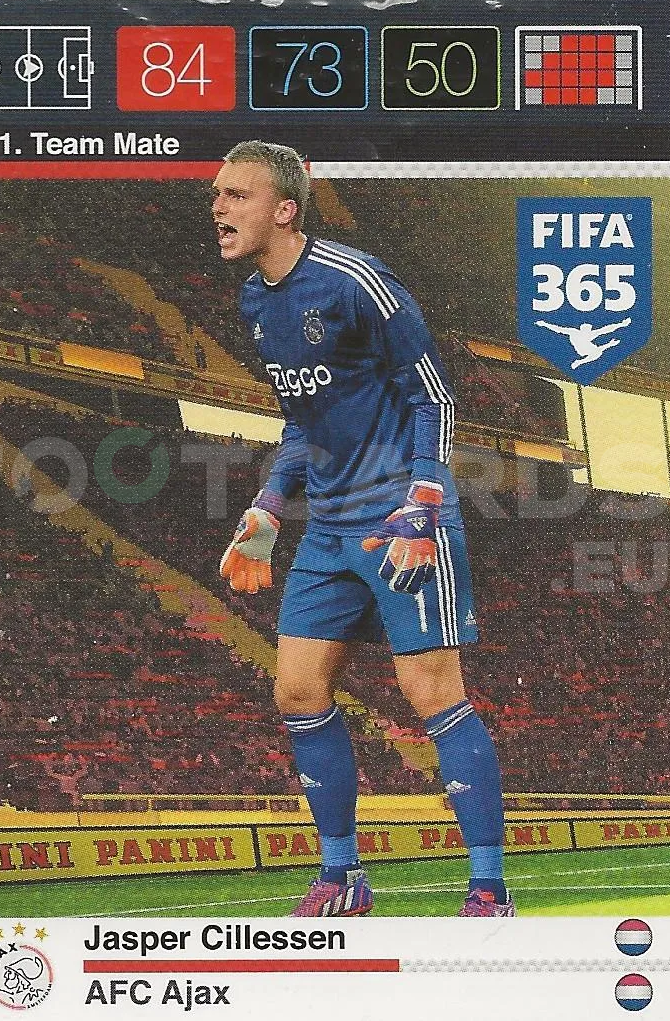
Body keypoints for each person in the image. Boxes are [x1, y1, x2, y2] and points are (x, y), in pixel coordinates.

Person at [214, 140, 513, 919]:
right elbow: (301, 424)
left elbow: (433, 396)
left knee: (431, 692)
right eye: (217, 193)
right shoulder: (255, 303)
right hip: (327, 524)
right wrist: (267, 505)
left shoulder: (356, 281)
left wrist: (424, 501)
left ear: (285, 209)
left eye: (237, 194)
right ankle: (342, 877)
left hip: (400, 514)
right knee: (297, 689)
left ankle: (488, 890)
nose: (218, 206)